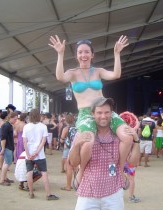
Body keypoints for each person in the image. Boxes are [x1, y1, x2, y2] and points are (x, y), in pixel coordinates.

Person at [49, 35, 132, 186]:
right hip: (86, 113)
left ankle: (120, 170)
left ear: (92, 55)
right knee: (87, 143)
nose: (83, 55)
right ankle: (81, 172)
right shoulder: (73, 73)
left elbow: (116, 75)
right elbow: (60, 76)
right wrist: (60, 54)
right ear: (77, 55)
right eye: (80, 52)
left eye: (87, 52)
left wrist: (117, 54)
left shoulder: (98, 71)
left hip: (104, 109)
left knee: (127, 137)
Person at [69, 97, 139, 210]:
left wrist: (136, 140)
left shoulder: (119, 134)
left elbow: (133, 163)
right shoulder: (84, 133)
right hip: (88, 193)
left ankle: (119, 168)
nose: (103, 116)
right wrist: (76, 145)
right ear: (93, 114)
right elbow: (73, 163)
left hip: (113, 193)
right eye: (99, 113)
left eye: (107, 112)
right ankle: (82, 172)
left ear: (111, 114)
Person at [22, 109, 59, 200]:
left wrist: (28, 154)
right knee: (44, 174)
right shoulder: (43, 126)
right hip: (40, 154)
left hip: (29, 154)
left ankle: (31, 193)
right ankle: (48, 194)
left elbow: (24, 142)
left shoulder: (26, 127)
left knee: (29, 173)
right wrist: (37, 152)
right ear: (39, 116)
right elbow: (43, 141)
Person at [0, 112, 18, 186]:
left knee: (6, 163)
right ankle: (2, 180)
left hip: (8, 146)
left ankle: (5, 178)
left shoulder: (8, 125)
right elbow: (3, 138)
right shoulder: (6, 126)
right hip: (7, 147)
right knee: (7, 163)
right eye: (14, 119)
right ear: (10, 118)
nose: (15, 120)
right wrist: (3, 148)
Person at [60, 113, 77, 191]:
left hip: (68, 148)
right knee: (76, 167)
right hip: (77, 148)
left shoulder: (66, 128)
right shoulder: (77, 127)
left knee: (69, 167)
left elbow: (62, 139)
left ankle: (68, 185)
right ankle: (77, 184)